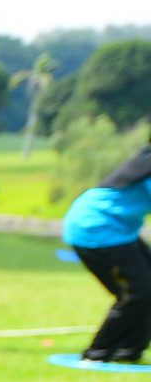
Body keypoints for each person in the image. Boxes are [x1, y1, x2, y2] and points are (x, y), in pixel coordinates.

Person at [65, 144, 151, 365]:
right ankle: (98, 352)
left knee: (144, 290)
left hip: (121, 231)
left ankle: (129, 349)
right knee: (139, 291)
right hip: (96, 227)